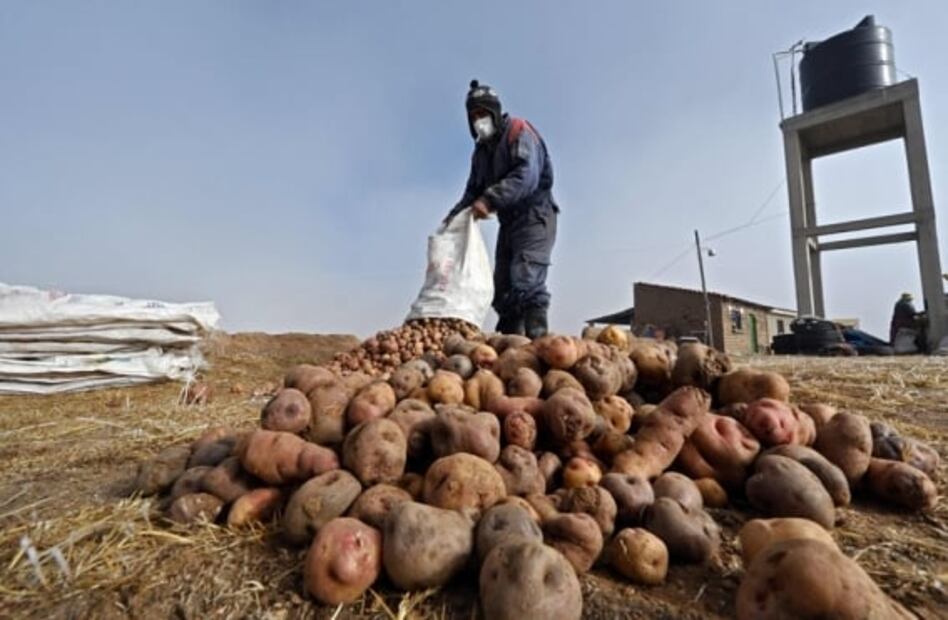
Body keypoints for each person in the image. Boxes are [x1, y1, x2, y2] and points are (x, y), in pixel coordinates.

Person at [445, 80, 559, 339]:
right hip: (509, 222)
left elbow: (525, 176)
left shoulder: (518, 131)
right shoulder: (481, 153)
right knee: (503, 289)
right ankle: (511, 349)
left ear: (495, 113)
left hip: (534, 217)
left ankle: (538, 343)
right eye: (473, 117)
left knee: (526, 280)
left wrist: (490, 199)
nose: (479, 120)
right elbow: (472, 192)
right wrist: (452, 219)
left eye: (483, 114)